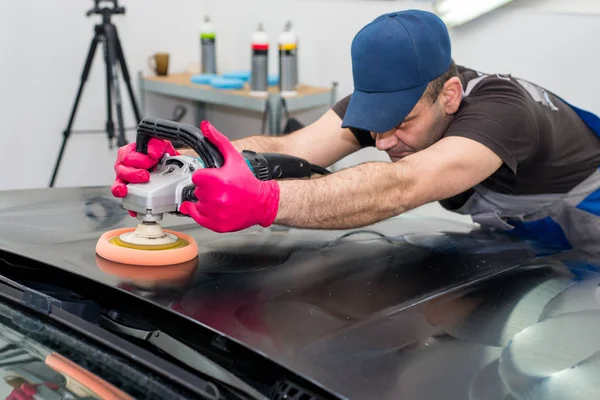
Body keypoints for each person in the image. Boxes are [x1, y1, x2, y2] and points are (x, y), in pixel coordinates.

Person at [112, 10, 600, 250]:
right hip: (517, 227)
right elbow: (293, 148)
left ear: (449, 96)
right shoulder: (393, 100)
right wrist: (187, 164)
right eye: (376, 126)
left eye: (401, 125)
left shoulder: (502, 109)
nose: (383, 142)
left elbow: (402, 186)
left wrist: (267, 203)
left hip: (587, 217)